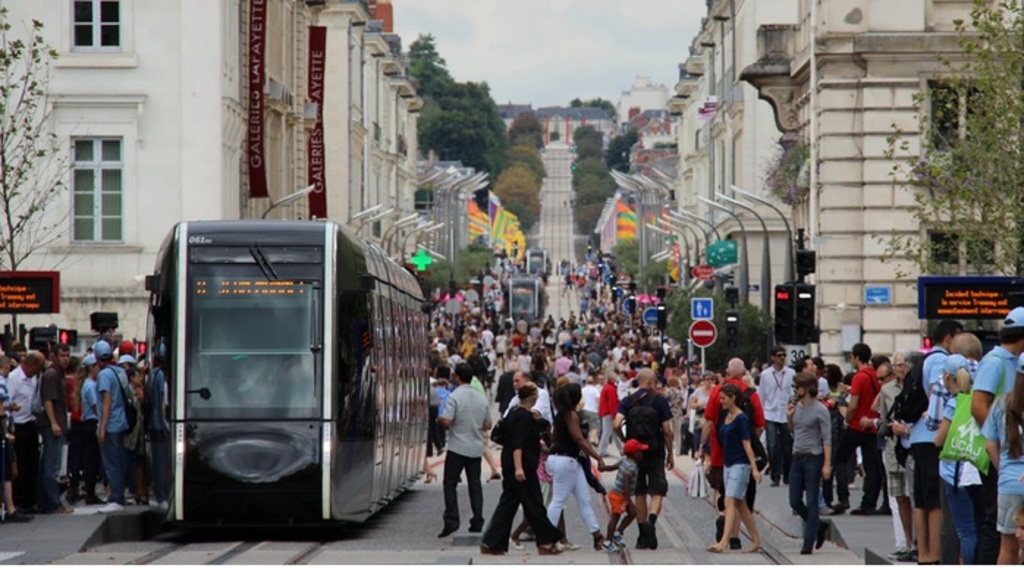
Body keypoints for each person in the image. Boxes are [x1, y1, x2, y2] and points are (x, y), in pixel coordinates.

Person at [479, 382, 563, 556]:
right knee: (535, 503)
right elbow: (518, 444)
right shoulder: (524, 418)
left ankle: (491, 542)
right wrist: (519, 468)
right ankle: (546, 542)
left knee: (508, 504)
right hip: (522, 467)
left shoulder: (514, 414)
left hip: (511, 465)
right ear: (533, 397)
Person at [970, 307, 1024, 565]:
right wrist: (1007, 444)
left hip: (1008, 465)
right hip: (1005, 458)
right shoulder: (995, 361)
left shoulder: (1012, 362)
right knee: (996, 529)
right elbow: (978, 406)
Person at [910, 319, 963, 564]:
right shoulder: (942, 360)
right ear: (949, 338)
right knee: (935, 501)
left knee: (921, 500)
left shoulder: (926, 358)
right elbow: (936, 393)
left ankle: (923, 553)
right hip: (933, 436)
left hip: (918, 436)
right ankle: (934, 553)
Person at [613, 368, 674, 550]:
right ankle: (651, 522)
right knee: (657, 490)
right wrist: (670, 452)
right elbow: (667, 430)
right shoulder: (659, 400)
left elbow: (616, 424)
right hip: (655, 451)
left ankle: (642, 536)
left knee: (639, 491)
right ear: (650, 382)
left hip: (635, 453)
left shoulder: (628, 400)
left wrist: (625, 440)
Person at [932, 354, 982, 565]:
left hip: (955, 472)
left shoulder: (954, 404)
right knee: (978, 526)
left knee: (965, 530)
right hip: (977, 468)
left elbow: (939, 440)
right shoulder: (978, 400)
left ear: (947, 377)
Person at [546, 382, 606, 551]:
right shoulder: (571, 415)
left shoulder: (560, 414)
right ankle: (547, 538)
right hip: (567, 461)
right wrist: (597, 457)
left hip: (566, 460)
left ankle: (597, 536)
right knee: (558, 501)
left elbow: (554, 437)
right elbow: (579, 439)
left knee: (584, 499)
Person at [707, 384, 763, 553]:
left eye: (724, 398)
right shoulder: (726, 416)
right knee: (740, 503)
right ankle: (756, 540)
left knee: (729, 500)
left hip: (741, 464)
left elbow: (747, 444)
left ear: (733, 398)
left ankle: (724, 541)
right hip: (728, 464)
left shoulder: (741, 418)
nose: (721, 401)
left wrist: (754, 468)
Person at [437, 363, 491, 538]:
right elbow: (487, 425)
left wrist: (440, 420)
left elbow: (447, 421)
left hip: (457, 447)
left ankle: (452, 519)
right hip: (475, 447)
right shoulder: (481, 398)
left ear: (458, 377)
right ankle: (477, 520)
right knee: (475, 484)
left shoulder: (454, 397)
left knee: (450, 484)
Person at [982, 351, 1024, 564]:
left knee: (1008, 546)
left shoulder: (1001, 404)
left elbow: (990, 444)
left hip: (1009, 483)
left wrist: (1003, 470)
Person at [874, 351, 915, 562]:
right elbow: (882, 417)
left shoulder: (915, 387)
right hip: (893, 449)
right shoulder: (886, 390)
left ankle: (916, 542)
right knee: (899, 497)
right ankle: (907, 542)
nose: (900, 369)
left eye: (903, 365)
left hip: (911, 449)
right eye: (897, 365)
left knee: (913, 496)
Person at [833, 342, 882, 515]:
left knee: (840, 458)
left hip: (857, 425)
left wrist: (847, 419)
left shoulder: (859, 377)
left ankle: (843, 497)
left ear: (856, 357)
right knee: (871, 465)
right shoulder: (876, 375)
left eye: (852, 357)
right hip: (872, 426)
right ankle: (869, 502)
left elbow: (853, 405)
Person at [786, 372, 831, 555]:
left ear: (807, 387)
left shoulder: (820, 410)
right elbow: (792, 430)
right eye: (793, 386)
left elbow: (827, 438)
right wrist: (789, 416)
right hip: (796, 456)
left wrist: (827, 464)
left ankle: (809, 541)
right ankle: (819, 526)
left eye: (797, 386)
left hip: (813, 456)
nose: (794, 390)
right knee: (794, 501)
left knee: (812, 500)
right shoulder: (795, 406)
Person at [95, 340, 132, 513]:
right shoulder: (120, 371)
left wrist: (102, 428)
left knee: (111, 462)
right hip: (122, 421)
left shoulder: (104, 375)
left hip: (110, 424)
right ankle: (119, 495)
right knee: (119, 460)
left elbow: (106, 402)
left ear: (97, 358)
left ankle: (116, 498)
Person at [7, 351, 45, 512]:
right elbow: (7, 401)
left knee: (32, 462)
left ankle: (30, 499)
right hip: (18, 424)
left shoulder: (34, 378)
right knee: (20, 464)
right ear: (30, 365)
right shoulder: (14, 379)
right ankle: (19, 500)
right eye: (38, 368)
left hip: (31, 422)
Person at [37, 344, 72, 514]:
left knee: (49, 465)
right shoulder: (52, 374)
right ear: (54, 356)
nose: (65, 358)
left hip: (56, 423)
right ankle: (53, 504)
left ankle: (46, 502)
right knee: (52, 467)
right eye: (62, 355)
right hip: (53, 425)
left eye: (67, 355)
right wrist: (54, 423)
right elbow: (48, 400)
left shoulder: (57, 373)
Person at [759, 346, 795, 486]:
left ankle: (787, 474)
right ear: (773, 357)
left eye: (784, 355)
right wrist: (761, 414)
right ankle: (775, 476)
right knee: (772, 445)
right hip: (770, 412)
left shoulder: (791, 373)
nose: (782, 358)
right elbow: (762, 395)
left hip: (786, 413)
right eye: (779, 355)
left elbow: (794, 392)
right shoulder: (765, 374)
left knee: (787, 446)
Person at [600, 439, 644, 552]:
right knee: (615, 517)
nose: (642, 454)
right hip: (619, 495)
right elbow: (626, 483)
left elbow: (612, 467)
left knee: (633, 513)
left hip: (621, 494)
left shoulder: (624, 461)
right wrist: (628, 500)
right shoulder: (632, 467)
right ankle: (607, 541)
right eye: (640, 452)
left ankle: (618, 533)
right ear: (635, 454)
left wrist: (603, 468)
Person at [598, 372, 623, 456]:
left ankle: (621, 449)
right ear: (612, 379)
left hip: (606, 411)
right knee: (607, 431)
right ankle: (602, 450)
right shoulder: (611, 389)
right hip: (609, 412)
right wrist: (614, 415)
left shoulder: (607, 387)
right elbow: (612, 403)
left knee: (612, 432)